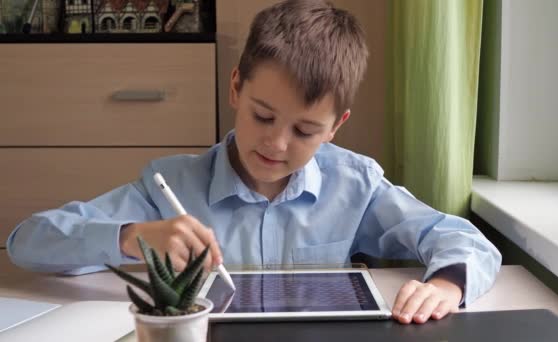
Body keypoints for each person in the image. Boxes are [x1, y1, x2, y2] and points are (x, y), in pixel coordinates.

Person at [7, 0, 501, 325]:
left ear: (336, 126)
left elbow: (462, 240)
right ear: (236, 88)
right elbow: (27, 241)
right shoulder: (169, 186)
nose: (277, 144)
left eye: (305, 130)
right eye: (263, 116)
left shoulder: (355, 184)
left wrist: (446, 283)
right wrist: (133, 236)